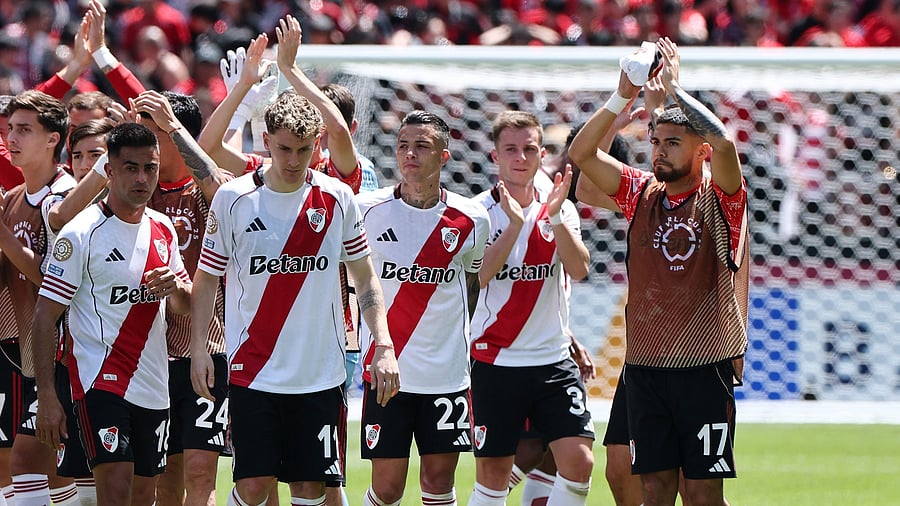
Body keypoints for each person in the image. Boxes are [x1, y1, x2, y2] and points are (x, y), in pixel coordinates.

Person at [189, 89, 400, 506]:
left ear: (317, 144)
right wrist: (199, 347)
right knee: (253, 487)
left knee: (311, 489)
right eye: (284, 148)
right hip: (253, 370)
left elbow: (365, 276)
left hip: (320, 373)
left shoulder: (337, 198)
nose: (293, 160)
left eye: (304, 150)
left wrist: (384, 344)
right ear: (265, 141)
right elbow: (207, 277)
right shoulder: (233, 200)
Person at [568, 38, 749, 506]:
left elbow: (727, 143)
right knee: (652, 490)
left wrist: (676, 91)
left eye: (672, 143)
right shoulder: (640, 192)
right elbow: (582, 156)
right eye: (655, 142)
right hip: (646, 369)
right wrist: (621, 94)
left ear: (700, 151)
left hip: (702, 368)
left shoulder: (721, 199)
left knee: (704, 494)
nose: (659, 151)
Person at [31, 122, 192, 506]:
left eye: (150, 168)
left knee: (143, 495)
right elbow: (43, 317)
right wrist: (48, 396)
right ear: (110, 171)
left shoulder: (163, 229)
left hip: (153, 384)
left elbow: (185, 306)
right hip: (99, 383)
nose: (142, 178)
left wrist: (177, 288)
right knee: (115, 490)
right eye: (131, 167)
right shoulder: (80, 234)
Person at [357, 110, 489, 506]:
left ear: (444, 156)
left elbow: (471, 281)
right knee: (387, 487)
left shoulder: (472, 219)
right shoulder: (367, 210)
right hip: (387, 373)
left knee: (437, 481)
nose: (409, 154)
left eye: (421, 146)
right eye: (403, 146)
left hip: (446, 375)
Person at [467, 110, 594, 506]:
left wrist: (553, 216)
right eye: (511, 150)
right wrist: (514, 224)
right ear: (495, 157)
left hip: (551, 361)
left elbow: (580, 268)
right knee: (493, 475)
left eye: (529, 149)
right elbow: (478, 279)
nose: (520, 158)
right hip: (494, 362)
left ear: (541, 155)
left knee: (579, 460)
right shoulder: (475, 213)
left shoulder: (560, 209)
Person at [0, 90, 78, 506]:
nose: (12, 138)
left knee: (27, 460)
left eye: (24, 130)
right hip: (25, 353)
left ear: (53, 139)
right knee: (48, 471)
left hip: (67, 355)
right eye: (10, 128)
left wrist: (4, 237)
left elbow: (54, 279)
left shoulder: (64, 200)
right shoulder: (13, 199)